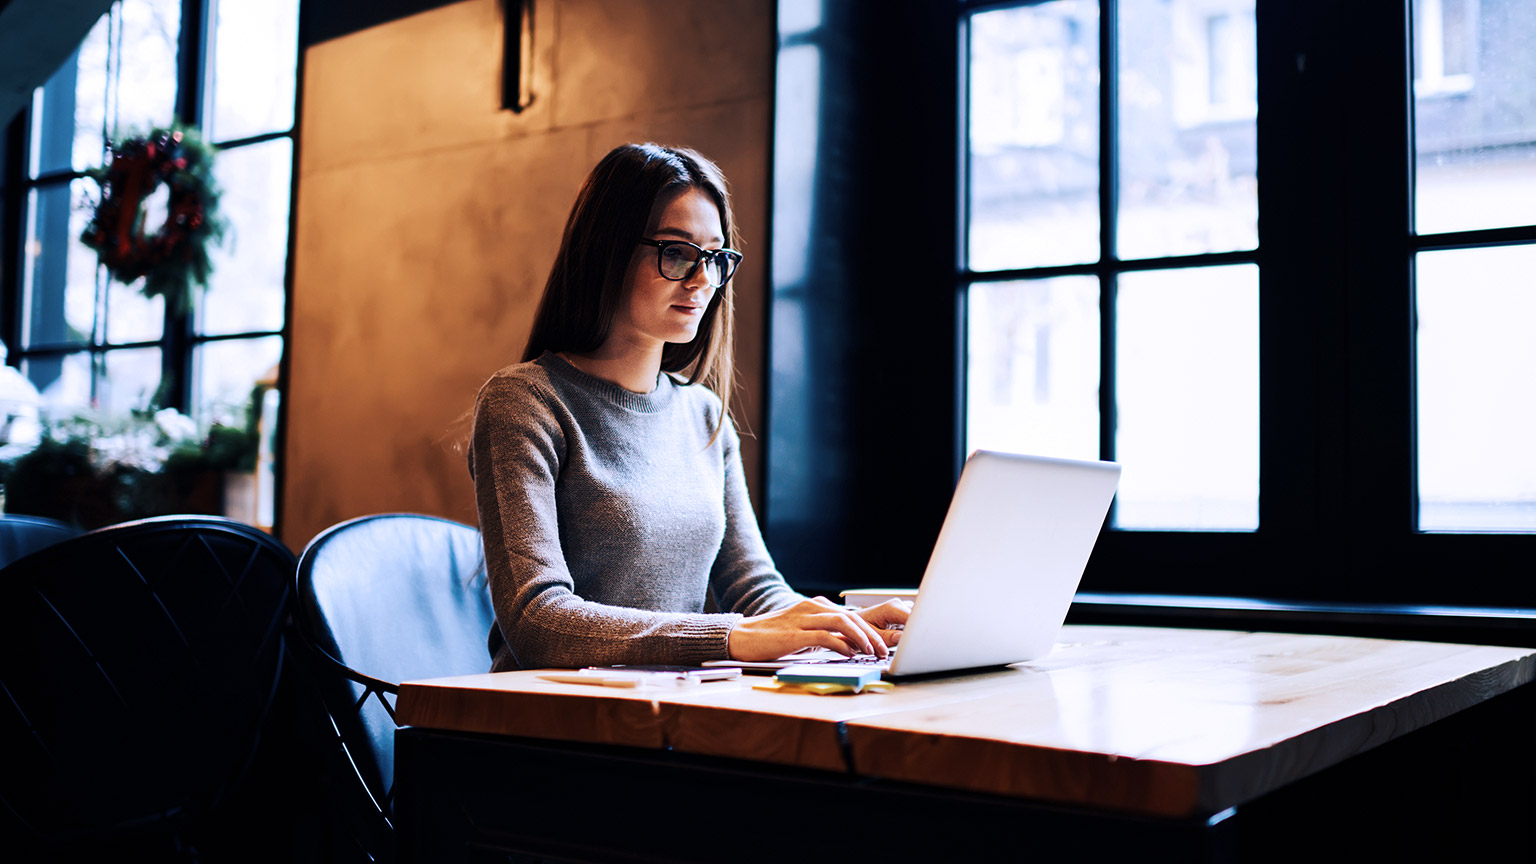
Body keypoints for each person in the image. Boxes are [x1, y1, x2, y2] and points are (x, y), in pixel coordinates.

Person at [470, 143, 909, 672]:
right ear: (606, 251)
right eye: (677, 253)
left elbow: (754, 589)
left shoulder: (703, 415)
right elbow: (539, 621)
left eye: (717, 258)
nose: (703, 280)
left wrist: (851, 630)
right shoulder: (525, 402)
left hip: (666, 715)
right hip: (546, 727)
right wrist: (734, 638)